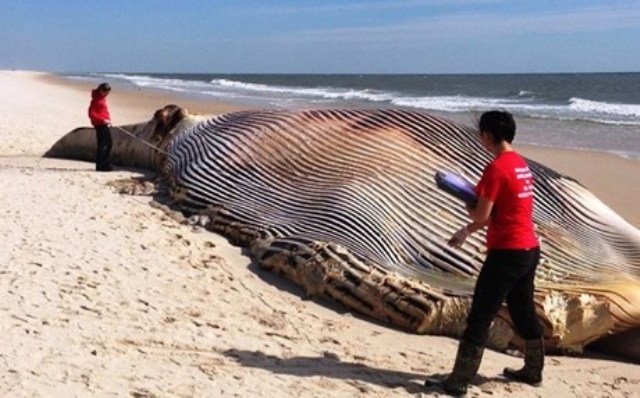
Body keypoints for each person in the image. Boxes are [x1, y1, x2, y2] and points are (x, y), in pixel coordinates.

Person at [425, 110, 543, 396]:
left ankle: (459, 380)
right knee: (523, 309)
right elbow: (505, 211)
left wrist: (467, 202)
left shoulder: (496, 169)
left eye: (481, 134)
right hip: (529, 249)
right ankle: (533, 370)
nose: (481, 139)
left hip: (506, 252)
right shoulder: (521, 166)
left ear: (488, 136)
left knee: (480, 314)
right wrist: (467, 231)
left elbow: (483, 212)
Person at [88, 82, 113, 171]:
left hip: (105, 124)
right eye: (105, 92)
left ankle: (104, 164)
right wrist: (103, 120)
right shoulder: (96, 100)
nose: (107, 94)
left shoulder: (102, 98)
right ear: (101, 90)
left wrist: (108, 120)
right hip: (100, 125)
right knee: (103, 145)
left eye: (108, 93)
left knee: (108, 144)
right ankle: (101, 166)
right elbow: (91, 114)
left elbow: (104, 111)